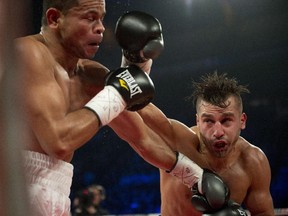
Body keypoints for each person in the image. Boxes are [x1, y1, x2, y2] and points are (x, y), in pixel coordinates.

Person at [15, 0, 227, 215]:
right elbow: (58, 142)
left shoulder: (90, 74)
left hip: (56, 192)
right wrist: (117, 93)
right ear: (54, 19)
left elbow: (141, 138)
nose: (100, 28)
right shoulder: (27, 52)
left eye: (101, 18)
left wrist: (197, 177)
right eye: (89, 18)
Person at [110, 72, 275, 215]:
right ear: (198, 121)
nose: (217, 132)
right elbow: (138, 121)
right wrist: (112, 85)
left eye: (226, 121)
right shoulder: (177, 141)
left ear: (242, 121)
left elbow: (263, 213)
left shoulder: (253, 162)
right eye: (208, 121)